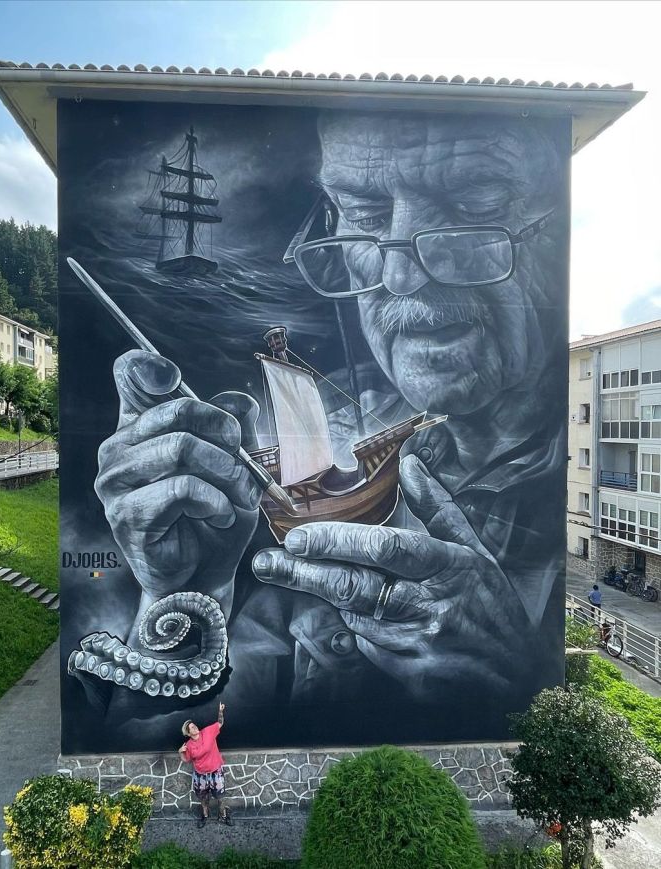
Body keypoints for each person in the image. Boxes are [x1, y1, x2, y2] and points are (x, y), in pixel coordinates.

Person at [83, 110, 568, 745]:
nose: (399, 276)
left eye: (473, 205)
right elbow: (153, 747)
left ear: (561, 232)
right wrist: (187, 590)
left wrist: (512, 682)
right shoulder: (303, 459)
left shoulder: (563, 488)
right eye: (365, 215)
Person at [178, 703, 232, 826]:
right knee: (203, 798)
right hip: (200, 775)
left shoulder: (208, 732)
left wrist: (220, 711)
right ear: (188, 733)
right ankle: (205, 815)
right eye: (191, 728)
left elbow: (220, 723)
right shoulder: (189, 745)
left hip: (215, 772)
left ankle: (223, 816)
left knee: (220, 796)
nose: (195, 727)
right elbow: (186, 759)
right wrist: (180, 752)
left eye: (194, 725)